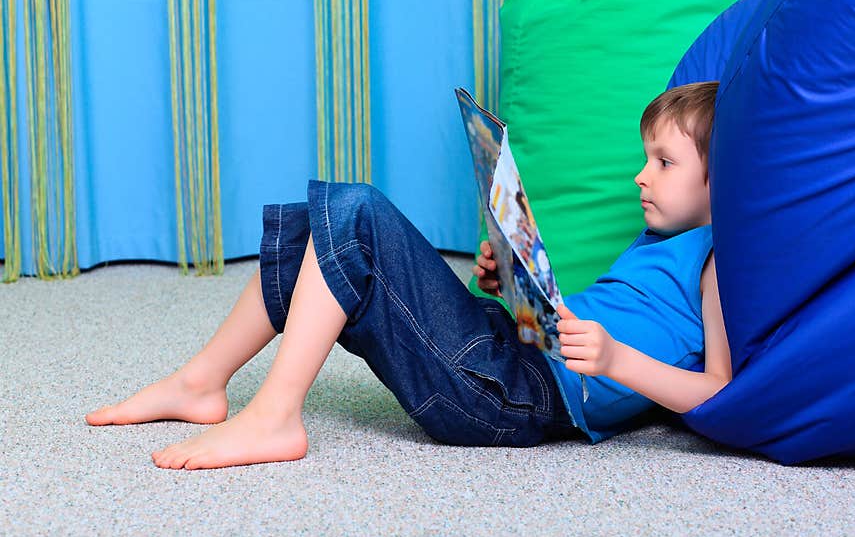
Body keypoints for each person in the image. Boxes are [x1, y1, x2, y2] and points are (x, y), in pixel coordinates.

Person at [85, 80, 730, 469]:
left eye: (664, 163)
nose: (640, 177)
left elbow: (718, 395)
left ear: (721, 176)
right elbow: (593, 323)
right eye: (646, 159)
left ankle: (275, 416)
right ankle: (201, 382)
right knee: (323, 227)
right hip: (517, 348)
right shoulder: (657, 240)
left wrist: (616, 359)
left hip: (523, 398)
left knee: (356, 212)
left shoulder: (717, 263)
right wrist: (512, 283)